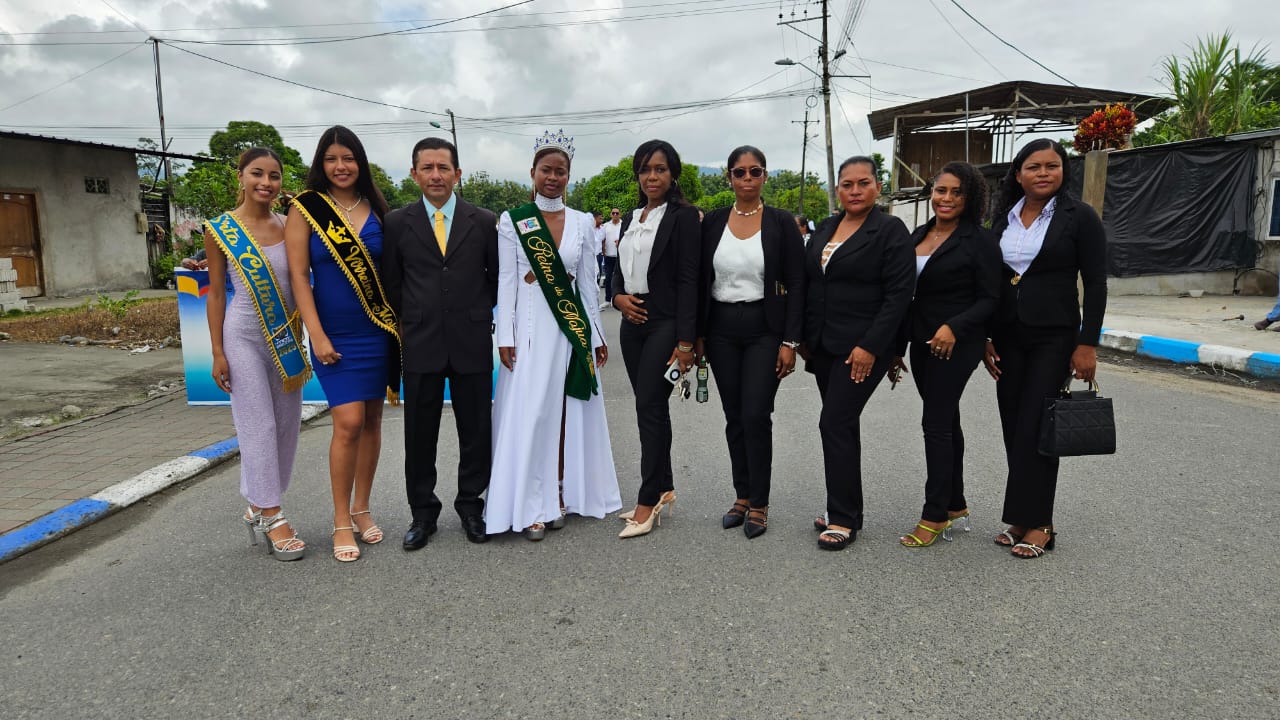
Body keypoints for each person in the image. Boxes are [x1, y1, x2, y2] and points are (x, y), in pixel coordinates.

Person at [485, 131, 620, 541]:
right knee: (533, 413)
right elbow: (507, 281)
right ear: (533, 172)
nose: (553, 177)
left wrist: (597, 335)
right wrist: (505, 336)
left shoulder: (582, 222)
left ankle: (561, 491)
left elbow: (587, 285)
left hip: (569, 328)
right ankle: (530, 502)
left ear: (569, 176)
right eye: (546, 170)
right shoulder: (514, 220)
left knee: (566, 411)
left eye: (561, 171)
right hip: (529, 329)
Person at [984, 139, 1107, 559]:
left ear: (1063, 171)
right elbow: (992, 279)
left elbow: (1096, 283)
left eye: (1051, 166)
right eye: (1033, 167)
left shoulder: (1080, 217)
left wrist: (1087, 343)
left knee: (1038, 425)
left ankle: (1041, 524)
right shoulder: (1004, 216)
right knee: (1013, 423)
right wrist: (985, 335)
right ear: (1018, 174)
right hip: (1007, 335)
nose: (1043, 173)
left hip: (1054, 337)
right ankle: (1020, 517)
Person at [285, 126, 396, 563]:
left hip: (377, 330)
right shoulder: (306, 209)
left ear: (360, 162)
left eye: (348, 158)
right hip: (334, 334)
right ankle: (340, 520)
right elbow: (299, 276)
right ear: (321, 164)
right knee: (348, 423)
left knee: (372, 421)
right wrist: (316, 333)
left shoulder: (378, 208)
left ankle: (362, 508)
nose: (340, 166)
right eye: (331, 159)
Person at [383, 137, 498, 550]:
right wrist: (417, 315)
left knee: (476, 430)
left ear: (457, 174)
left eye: (443, 167)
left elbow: (495, 279)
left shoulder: (483, 221)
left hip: (471, 339)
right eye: (427, 168)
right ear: (414, 174)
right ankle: (422, 513)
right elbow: (392, 282)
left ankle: (471, 506)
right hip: (421, 340)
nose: (436, 175)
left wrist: (474, 312)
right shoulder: (397, 222)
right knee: (419, 433)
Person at [803, 156, 914, 550]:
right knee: (841, 426)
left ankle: (844, 518)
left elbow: (899, 295)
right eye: (846, 184)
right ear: (837, 189)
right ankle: (845, 509)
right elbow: (812, 283)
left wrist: (871, 346)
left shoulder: (890, 230)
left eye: (863, 183)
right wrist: (803, 338)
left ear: (877, 187)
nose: (854, 190)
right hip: (824, 345)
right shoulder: (826, 227)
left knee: (834, 422)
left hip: (863, 347)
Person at [695, 145, 805, 539]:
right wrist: (698, 335)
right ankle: (741, 495)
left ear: (765, 176)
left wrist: (790, 341)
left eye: (754, 171)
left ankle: (760, 502)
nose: (747, 178)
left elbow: (797, 282)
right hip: (721, 328)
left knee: (756, 414)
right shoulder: (713, 222)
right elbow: (700, 281)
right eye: (739, 172)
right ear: (729, 177)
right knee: (735, 416)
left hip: (765, 328)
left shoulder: (780, 222)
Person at [204, 147, 308, 561]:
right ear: (241, 177)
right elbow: (215, 293)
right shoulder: (221, 230)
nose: (266, 182)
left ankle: (258, 503)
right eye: (257, 174)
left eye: (274, 176)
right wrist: (217, 351)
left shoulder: (290, 224)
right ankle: (272, 514)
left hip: (284, 339)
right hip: (243, 337)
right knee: (258, 425)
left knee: (286, 425)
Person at [890, 161, 1000, 548]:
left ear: (971, 198)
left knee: (935, 422)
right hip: (921, 341)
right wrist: (896, 347)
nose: (947, 198)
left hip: (958, 343)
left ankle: (934, 514)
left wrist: (955, 326)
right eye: (941, 190)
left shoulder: (980, 241)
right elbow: (904, 295)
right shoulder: (919, 234)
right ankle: (955, 504)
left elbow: (991, 298)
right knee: (947, 420)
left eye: (957, 192)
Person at [610, 139, 701, 539]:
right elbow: (618, 268)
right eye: (645, 169)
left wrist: (686, 342)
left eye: (660, 169)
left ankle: (648, 500)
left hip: (665, 321)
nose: (652, 176)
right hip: (631, 322)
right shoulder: (632, 217)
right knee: (651, 407)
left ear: (672, 174)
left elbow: (690, 279)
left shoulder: (684, 217)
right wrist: (617, 297)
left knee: (649, 406)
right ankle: (664, 486)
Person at [601, 207, 622, 307]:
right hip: (609, 256)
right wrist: (603, 250)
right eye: (613, 213)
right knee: (608, 278)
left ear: (620, 214)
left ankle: (618, 300)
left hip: (620, 256)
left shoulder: (623, 224)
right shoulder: (606, 226)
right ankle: (607, 300)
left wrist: (620, 242)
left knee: (620, 279)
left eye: (617, 213)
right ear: (610, 214)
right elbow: (602, 239)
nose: (615, 215)